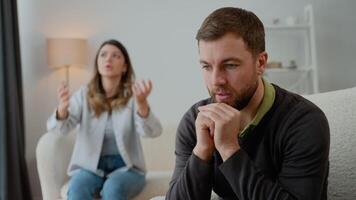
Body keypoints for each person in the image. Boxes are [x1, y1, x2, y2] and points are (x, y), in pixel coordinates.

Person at [166, 7, 329, 200]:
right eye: (206, 66)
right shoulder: (195, 120)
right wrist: (202, 151)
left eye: (230, 65)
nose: (216, 80)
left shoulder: (304, 121)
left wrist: (229, 149)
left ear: (260, 63)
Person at [47, 39, 162, 200]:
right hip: (90, 168)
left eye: (116, 56)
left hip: (127, 169)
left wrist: (142, 104)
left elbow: (154, 131)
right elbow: (59, 129)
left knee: (113, 188)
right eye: (103, 55)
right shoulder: (84, 94)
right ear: (97, 64)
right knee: (77, 188)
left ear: (125, 67)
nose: (108, 59)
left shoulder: (133, 96)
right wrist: (62, 110)